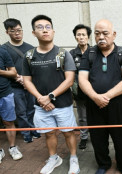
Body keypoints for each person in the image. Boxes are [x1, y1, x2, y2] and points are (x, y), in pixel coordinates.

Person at [22, 15, 79, 174]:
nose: (44, 30)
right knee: (49, 134)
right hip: (40, 106)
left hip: (63, 104)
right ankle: (54, 158)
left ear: (53, 31)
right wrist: (41, 99)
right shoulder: (29, 56)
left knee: (68, 132)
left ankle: (73, 158)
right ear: (33, 33)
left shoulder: (63, 54)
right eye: (40, 27)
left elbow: (69, 80)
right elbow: (27, 81)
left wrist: (50, 97)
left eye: (48, 27)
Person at [79, 19, 122, 174]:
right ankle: (103, 164)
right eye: (97, 34)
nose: (101, 37)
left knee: (121, 137)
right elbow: (82, 79)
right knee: (98, 137)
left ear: (114, 35)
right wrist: (95, 97)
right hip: (94, 104)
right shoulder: (89, 54)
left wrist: (106, 96)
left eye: (105, 33)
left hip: (118, 105)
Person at [2, 18, 40, 143]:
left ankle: (33, 129)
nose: (17, 33)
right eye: (13, 31)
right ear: (7, 32)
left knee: (31, 109)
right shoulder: (4, 49)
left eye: (19, 30)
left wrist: (28, 81)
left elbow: (34, 67)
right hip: (14, 86)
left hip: (30, 85)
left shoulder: (30, 48)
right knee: (21, 111)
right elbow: (7, 69)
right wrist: (20, 80)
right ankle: (26, 134)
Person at [69, 24, 91, 150]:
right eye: (79, 35)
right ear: (75, 37)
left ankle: (96, 134)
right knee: (82, 116)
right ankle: (83, 137)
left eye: (84, 34)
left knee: (95, 114)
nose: (81, 37)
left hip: (93, 91)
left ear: (88, 36)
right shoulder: (71, 54)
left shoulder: (94, 52)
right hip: (79, 92)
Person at [0, 47, 23, 163]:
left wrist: (0, 71)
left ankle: (13, 147)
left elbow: (13, 72)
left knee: (9, 122)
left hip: (5, 93)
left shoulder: (3, 51)